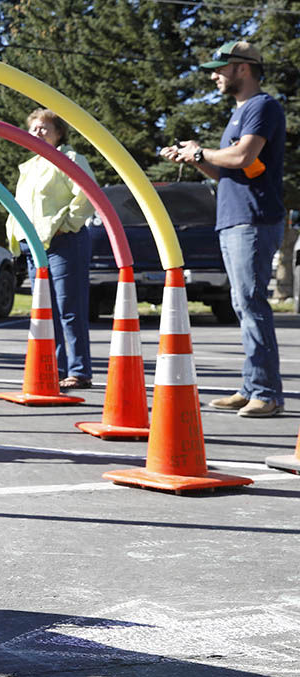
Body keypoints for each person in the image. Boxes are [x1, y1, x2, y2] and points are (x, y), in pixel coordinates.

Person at [161, 40, 286, 418]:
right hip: (235, 218)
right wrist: (194, 158)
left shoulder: (262, 106)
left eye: (220, 68)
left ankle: (267, 392)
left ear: (243, 68)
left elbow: (243, 156)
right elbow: (226, 168)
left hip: (254, 218)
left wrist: (200, 151)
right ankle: (251, 387)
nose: (214, 75)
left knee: (251, 303)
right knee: (242, 304)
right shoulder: (241, 112)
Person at [5, 109, 97, 390]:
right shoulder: (29, 166)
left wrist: (65, 225)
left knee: (69, 307)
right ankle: (53, 368)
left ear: (59, 133)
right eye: (34, 128)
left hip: (63, 241)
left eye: (45, 128)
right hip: (33, 245)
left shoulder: (70, 159)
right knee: (45, 310)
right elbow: (20, 205)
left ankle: (79, 370)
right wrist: (14, 233)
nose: (38, 133)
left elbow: (86, 196)